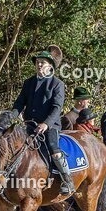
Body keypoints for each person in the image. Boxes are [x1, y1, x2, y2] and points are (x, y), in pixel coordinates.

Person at [12, 47, 74, 195]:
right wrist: (12, 115)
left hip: (50, 125)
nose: (39, 65)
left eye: (42, 63)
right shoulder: (29, 82)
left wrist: (46, 124)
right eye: (38, 62)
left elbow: (57, 108)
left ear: (50, 66)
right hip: (29, 124)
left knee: (54, 149)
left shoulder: (57, 84)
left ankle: (67, 179)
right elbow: (20, 103)